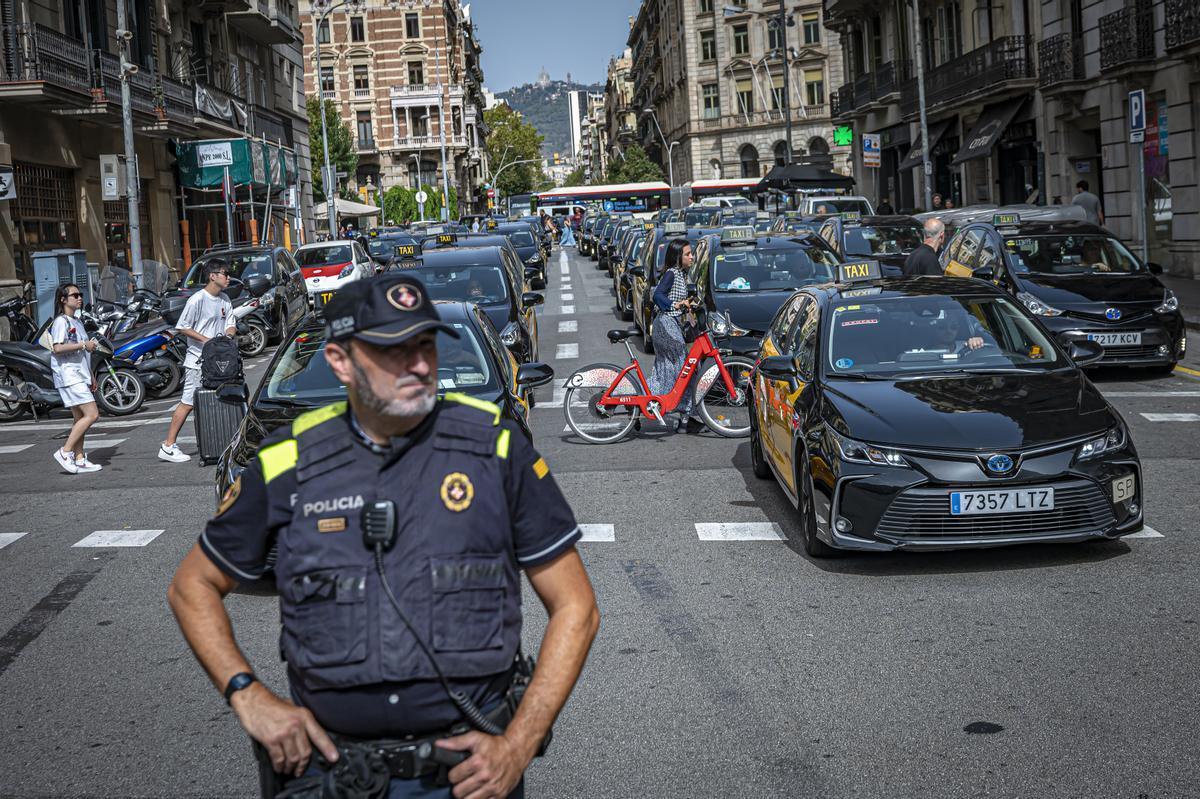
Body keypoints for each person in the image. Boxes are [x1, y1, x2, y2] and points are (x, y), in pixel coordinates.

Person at [167, 274, 599, 799]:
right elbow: (192, 587)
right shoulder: (288, 462)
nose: (419, 364)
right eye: (394, 350)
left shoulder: (496, 451)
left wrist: (519, 744)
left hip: (468, 777)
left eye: (425, 345)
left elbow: (576, 607)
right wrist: (248, 694)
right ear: (341, 361)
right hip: (333, 775)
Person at [158, 260, 235, 463]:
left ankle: (221, 441)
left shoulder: (225, 299)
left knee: (221, 399)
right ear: (212, 276)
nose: (228, 277)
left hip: (220, 362)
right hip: (197, 361)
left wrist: (227, 337)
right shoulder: (197, 300)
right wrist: (208, 341)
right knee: (188, 403)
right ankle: (168, 445)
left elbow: (231, 323)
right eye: (225, 273)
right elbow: (182, 327)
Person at [650, 238, 704, 434]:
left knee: (669, 370)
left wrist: (687, 304)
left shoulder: (681, 274)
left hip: (669, 324)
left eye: (691, 253)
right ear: (677, 257)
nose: (692, 256)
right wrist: (674, 305)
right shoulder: (672, 274)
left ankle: (655, 405)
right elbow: (658, 295)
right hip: (665, 325)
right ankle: (684, 417)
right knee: (685, 370)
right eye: (688, 254)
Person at [48, 284, 101, 474]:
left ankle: (79, 458)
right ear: (63, 299)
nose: (79, 298)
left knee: (79, 418)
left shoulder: (76, 321)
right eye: (75, 295)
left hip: (80, 374)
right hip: (68, 375)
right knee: (92, 414)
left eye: (80, 294)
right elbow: (57, 348)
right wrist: (83, 344)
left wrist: (91, 375)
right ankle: (65, 451)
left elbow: (83, 352)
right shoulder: (61, 322)